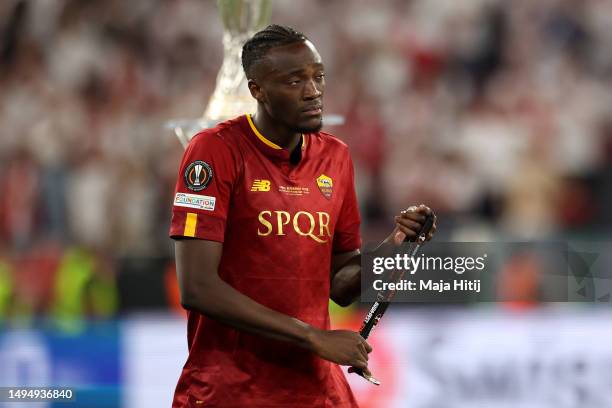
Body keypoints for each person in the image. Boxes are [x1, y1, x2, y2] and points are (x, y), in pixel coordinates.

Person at [169, 24, 437, 408]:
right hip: (229, 391)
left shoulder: (336, 157)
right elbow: (197, 287)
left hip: (315, 392)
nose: (314, 91)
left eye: (318, 76)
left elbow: (341, 287)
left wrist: (394, 245)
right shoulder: (214, 151)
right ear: (257, 90)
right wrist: (313, 336)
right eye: (295, 81)